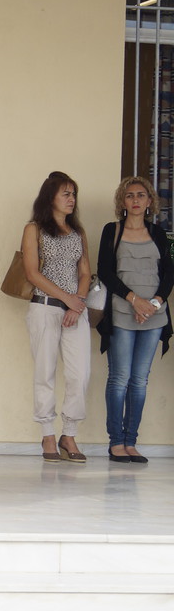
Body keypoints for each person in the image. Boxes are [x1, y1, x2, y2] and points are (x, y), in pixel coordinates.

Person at [96, 176, 174, 464]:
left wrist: (153, 303)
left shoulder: (159, 233)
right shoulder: (112, 230)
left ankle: (131, 442)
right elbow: (105, 271)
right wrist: (134, 300)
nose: (136, 200)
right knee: (120, 378)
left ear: (150, 201)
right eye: (130, 195)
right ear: (122, 201)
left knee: (140, 380)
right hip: (122, 312)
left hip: (153, 315)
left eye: (141, 195)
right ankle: (116, 442)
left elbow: (169, 274)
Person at [22, 171, 91, 464]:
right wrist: (67, 299)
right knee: (45, 372)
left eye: (73, 194)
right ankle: (48, 434)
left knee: (80, 374)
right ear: (50, 197)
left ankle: (69, 434)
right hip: (45, 307)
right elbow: (32, 273)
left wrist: (77, 304)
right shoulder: (34, 229)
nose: (71, 199)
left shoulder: (78, 232)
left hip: (75, 311)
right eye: (66, 193)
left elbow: (85, 273)